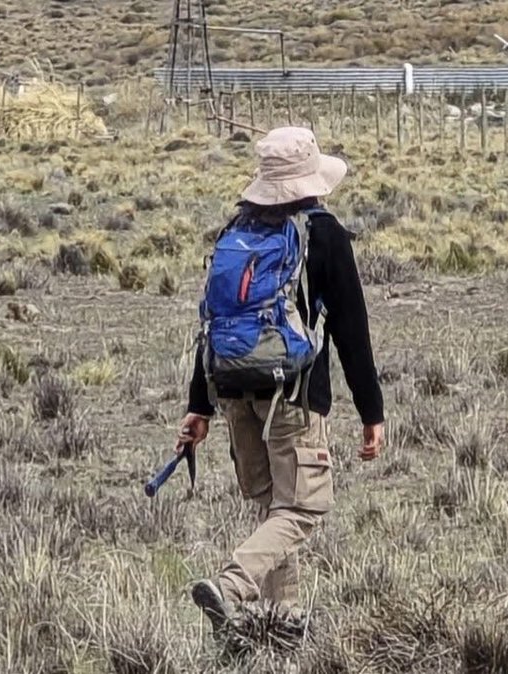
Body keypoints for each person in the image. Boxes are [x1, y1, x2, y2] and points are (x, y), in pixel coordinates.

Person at [175, 126, 385, 635]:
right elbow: (350, 331)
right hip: (292, 393)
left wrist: (199, 405)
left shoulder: (236, 232)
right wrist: (371, 411)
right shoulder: (324, 234)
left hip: (231, 389)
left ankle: (281, 625)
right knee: (302, 508)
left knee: (272, 508)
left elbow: (212, 324)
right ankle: (232, 585)